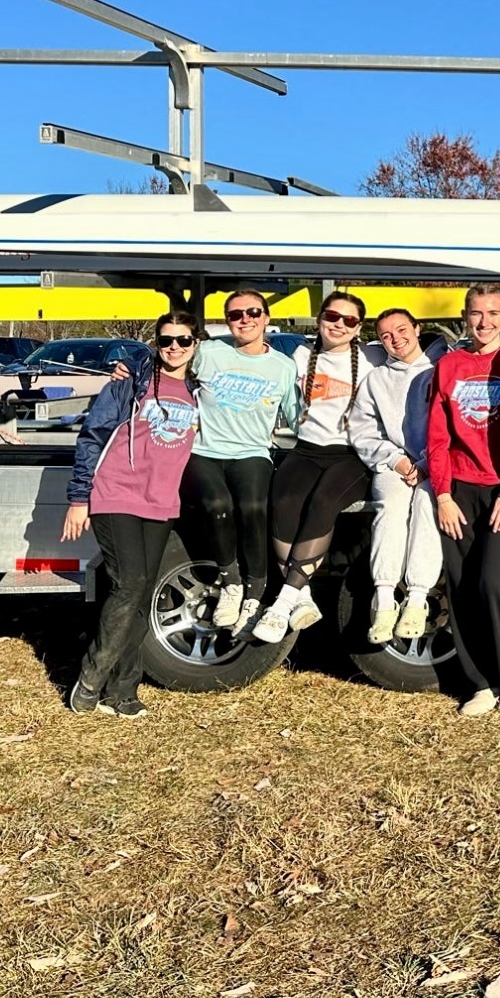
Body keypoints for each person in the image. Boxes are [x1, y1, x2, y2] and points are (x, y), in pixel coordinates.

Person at [119, 288, 298, 635]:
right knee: (217, 506)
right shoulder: (210, 352)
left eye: (252, 312)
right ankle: (231, 583)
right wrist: (129, 368)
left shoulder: (283, 367)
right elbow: (170, 357)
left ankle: (255, 592)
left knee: (253, 507)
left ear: (266, 318)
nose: (244, 319)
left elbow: (297, 415)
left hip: (251, 452)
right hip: (203, 451)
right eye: (235, 314)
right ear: (227, 321)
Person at [61, 311, 203, 717]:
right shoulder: (131, 380)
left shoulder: (198, 387)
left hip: (161, 502)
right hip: (116, 493)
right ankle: (90, 679)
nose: (174, 347)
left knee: (141, 594)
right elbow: (95, 435)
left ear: (196, 344)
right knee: (131, 583)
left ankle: (122, 691)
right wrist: (78, 498)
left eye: (183, 340)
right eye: (166, 340)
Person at [253, 291, 387, 641]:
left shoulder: (372, 356)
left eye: (350, 320)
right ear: (320, 319)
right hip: (307, 449)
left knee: (324, 503)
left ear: (359, 328)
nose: (339, 325)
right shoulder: (299, 355)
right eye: (332, 317)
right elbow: (255, 363)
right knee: (282, 504)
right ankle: (303, 596)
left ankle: (281, 605)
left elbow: (422, 349)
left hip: (352, 453)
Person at [430, 284, 500, 718]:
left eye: (492, 313)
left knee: (496, 583)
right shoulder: (449, 365)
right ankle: (480, 683)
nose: (484, 322)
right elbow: (437, 435)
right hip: (459, 491)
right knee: (463, 587)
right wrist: (443, 494)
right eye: (475, 313)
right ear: (464, 316)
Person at [352, 307, 444, 645]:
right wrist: (396, 461)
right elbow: (363, 430)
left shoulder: (441, 370)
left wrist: (425, 463)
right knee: (390, 507)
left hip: (435, 464)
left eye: (402, 330)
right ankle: (385, 599)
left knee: (427, 503)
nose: (396, 340)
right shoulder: (376, 380)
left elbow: (450, 425)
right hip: (395, 465)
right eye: (386, 336)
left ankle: (418, 597)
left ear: (418, 328)